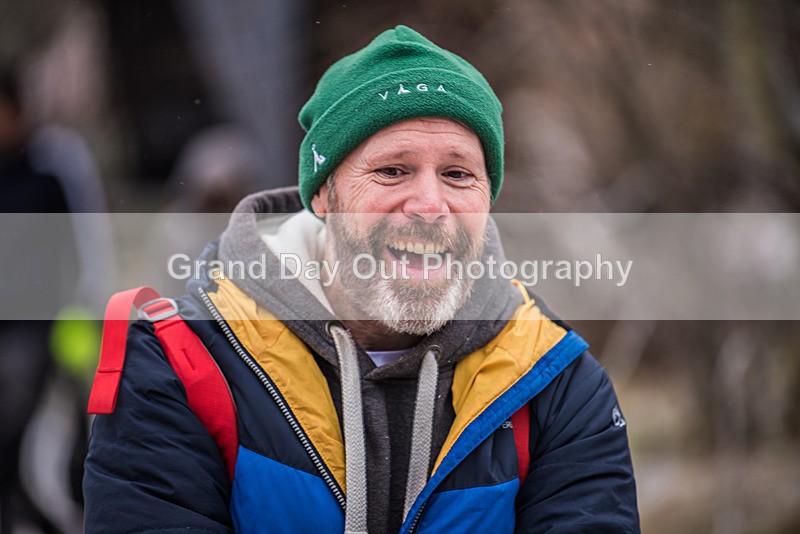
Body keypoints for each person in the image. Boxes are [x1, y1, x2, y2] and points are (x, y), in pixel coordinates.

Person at [84, 26, 639, 533]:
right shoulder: (178, 366)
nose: (429, 205)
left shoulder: (557, 383)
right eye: (393, 170)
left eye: (457, 174)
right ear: (324, 195)